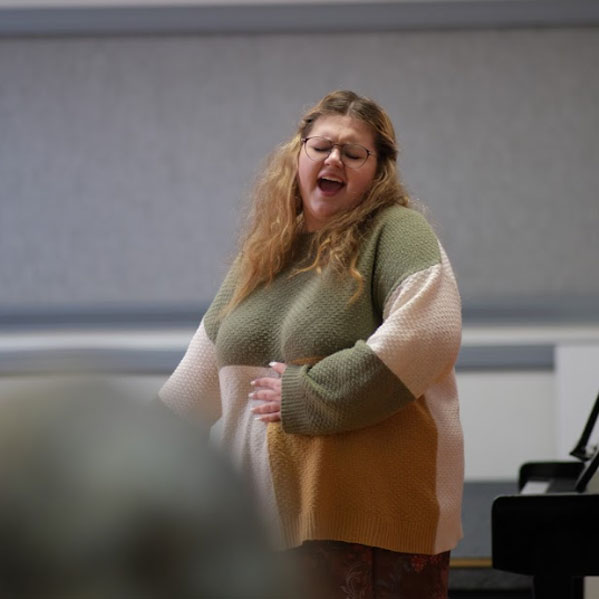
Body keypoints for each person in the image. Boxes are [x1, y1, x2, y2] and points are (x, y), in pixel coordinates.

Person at [159, 89, 464, 598]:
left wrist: (310, 394)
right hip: (264, 533)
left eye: (353, 152)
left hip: (367, 528)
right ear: (298, 155)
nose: (334, 159)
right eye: (321, 146)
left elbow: (428, 334)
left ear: (378, 170)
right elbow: (195, 380)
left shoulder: (395, 232)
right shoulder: (264, 254)